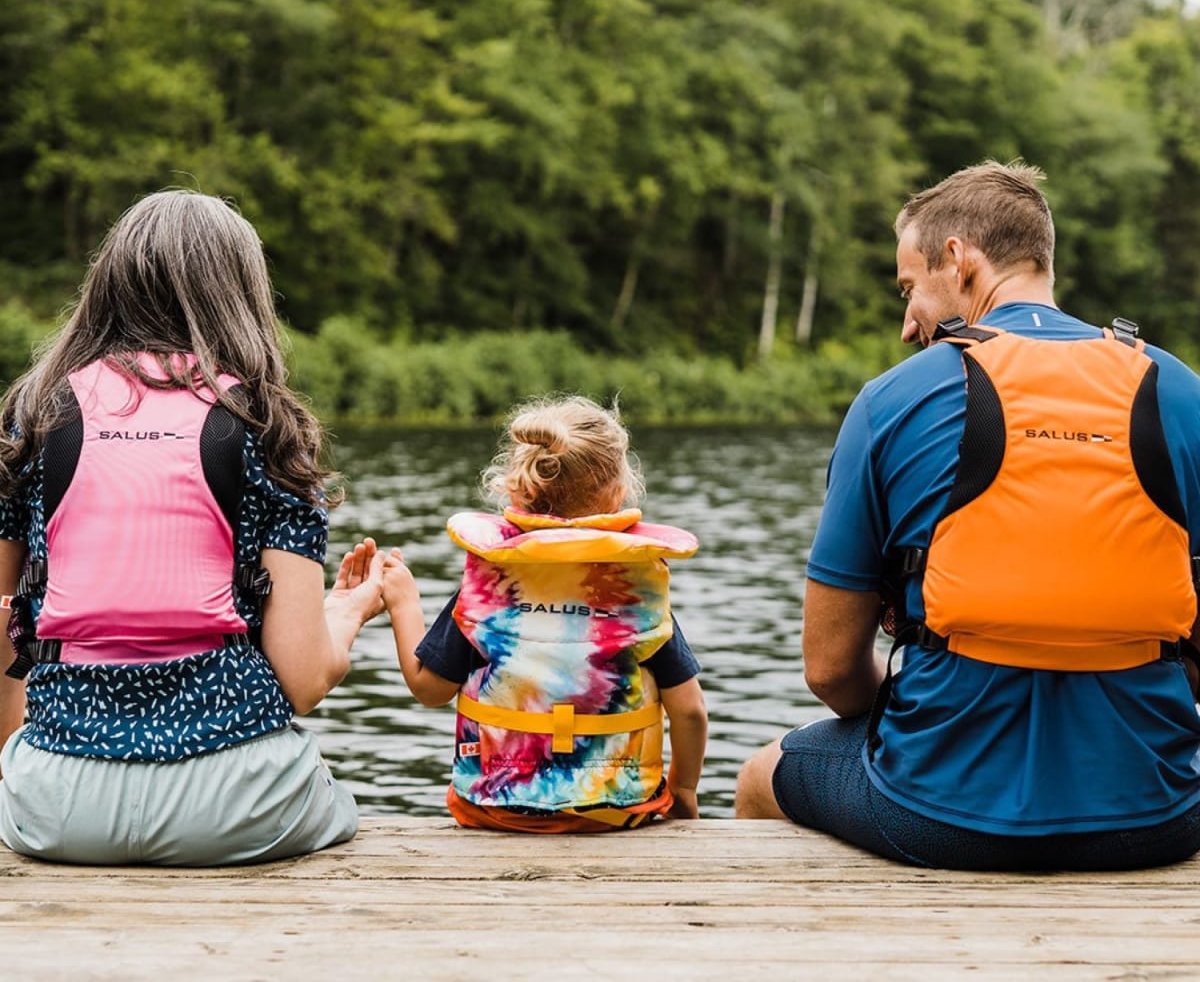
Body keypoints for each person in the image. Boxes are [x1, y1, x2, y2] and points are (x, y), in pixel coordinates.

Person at [735, 159, 1200, 870]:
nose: (905, 324)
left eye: (908, 288)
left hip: (937, 814)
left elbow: (830, 670)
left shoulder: (889, 401)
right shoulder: (1181, 391)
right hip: (1158, 816)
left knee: (759, 777)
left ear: (959, 261)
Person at [0, 190, 385, 865]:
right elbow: (301, 679)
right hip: (237, 801)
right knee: (337, 801)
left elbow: (2, 625)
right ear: (241, 294)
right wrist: (349, 611)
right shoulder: (268, 425)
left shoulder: (33, 415)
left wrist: (19, 777)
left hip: (57, 807)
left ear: (108, 285)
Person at [376, 395, 708, 832]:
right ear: (617, 494)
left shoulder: (488, 586)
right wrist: (683, 791)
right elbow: (690, 712)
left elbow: (429, 689)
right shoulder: (636, 594)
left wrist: (402, 602)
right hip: (614, 813)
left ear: (515, 490)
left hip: (494, 810)